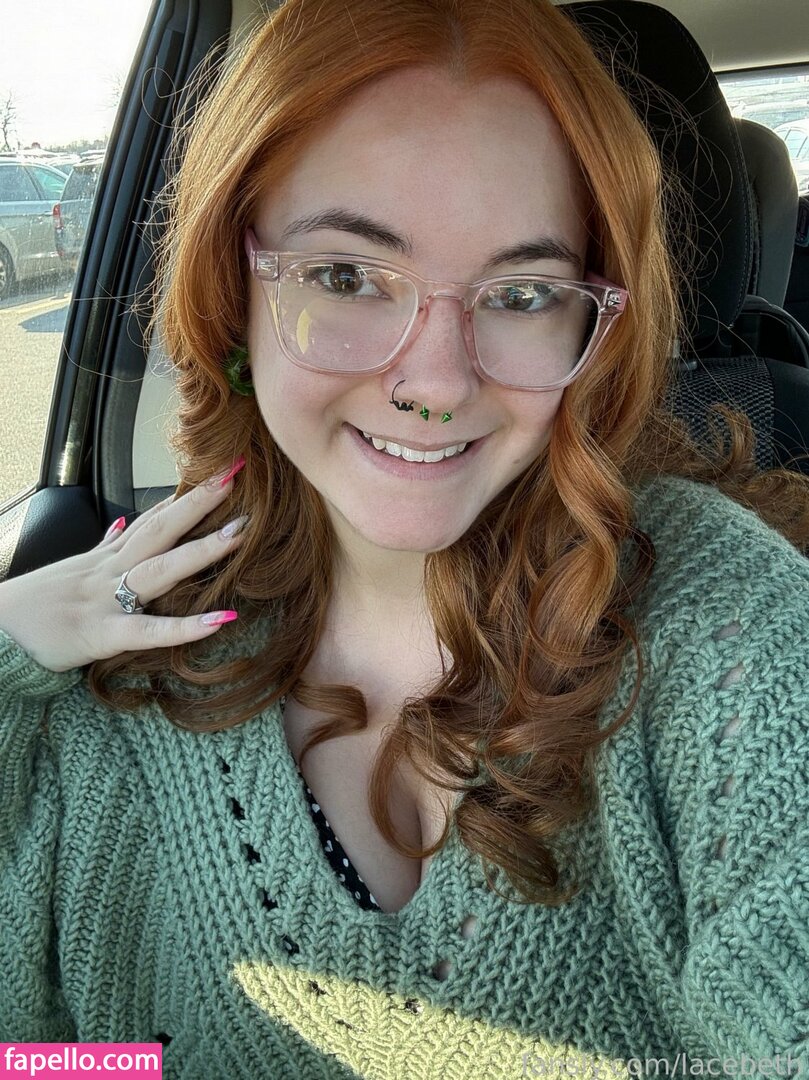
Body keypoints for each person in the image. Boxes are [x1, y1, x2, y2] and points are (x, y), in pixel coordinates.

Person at [1, 0, 808, 1076]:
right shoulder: (119, 672)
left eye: (521, 293)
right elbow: (42, 1058)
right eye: (345, 276)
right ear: (232, 285)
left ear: (593, 321)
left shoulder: (729, 627)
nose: (434, 384)